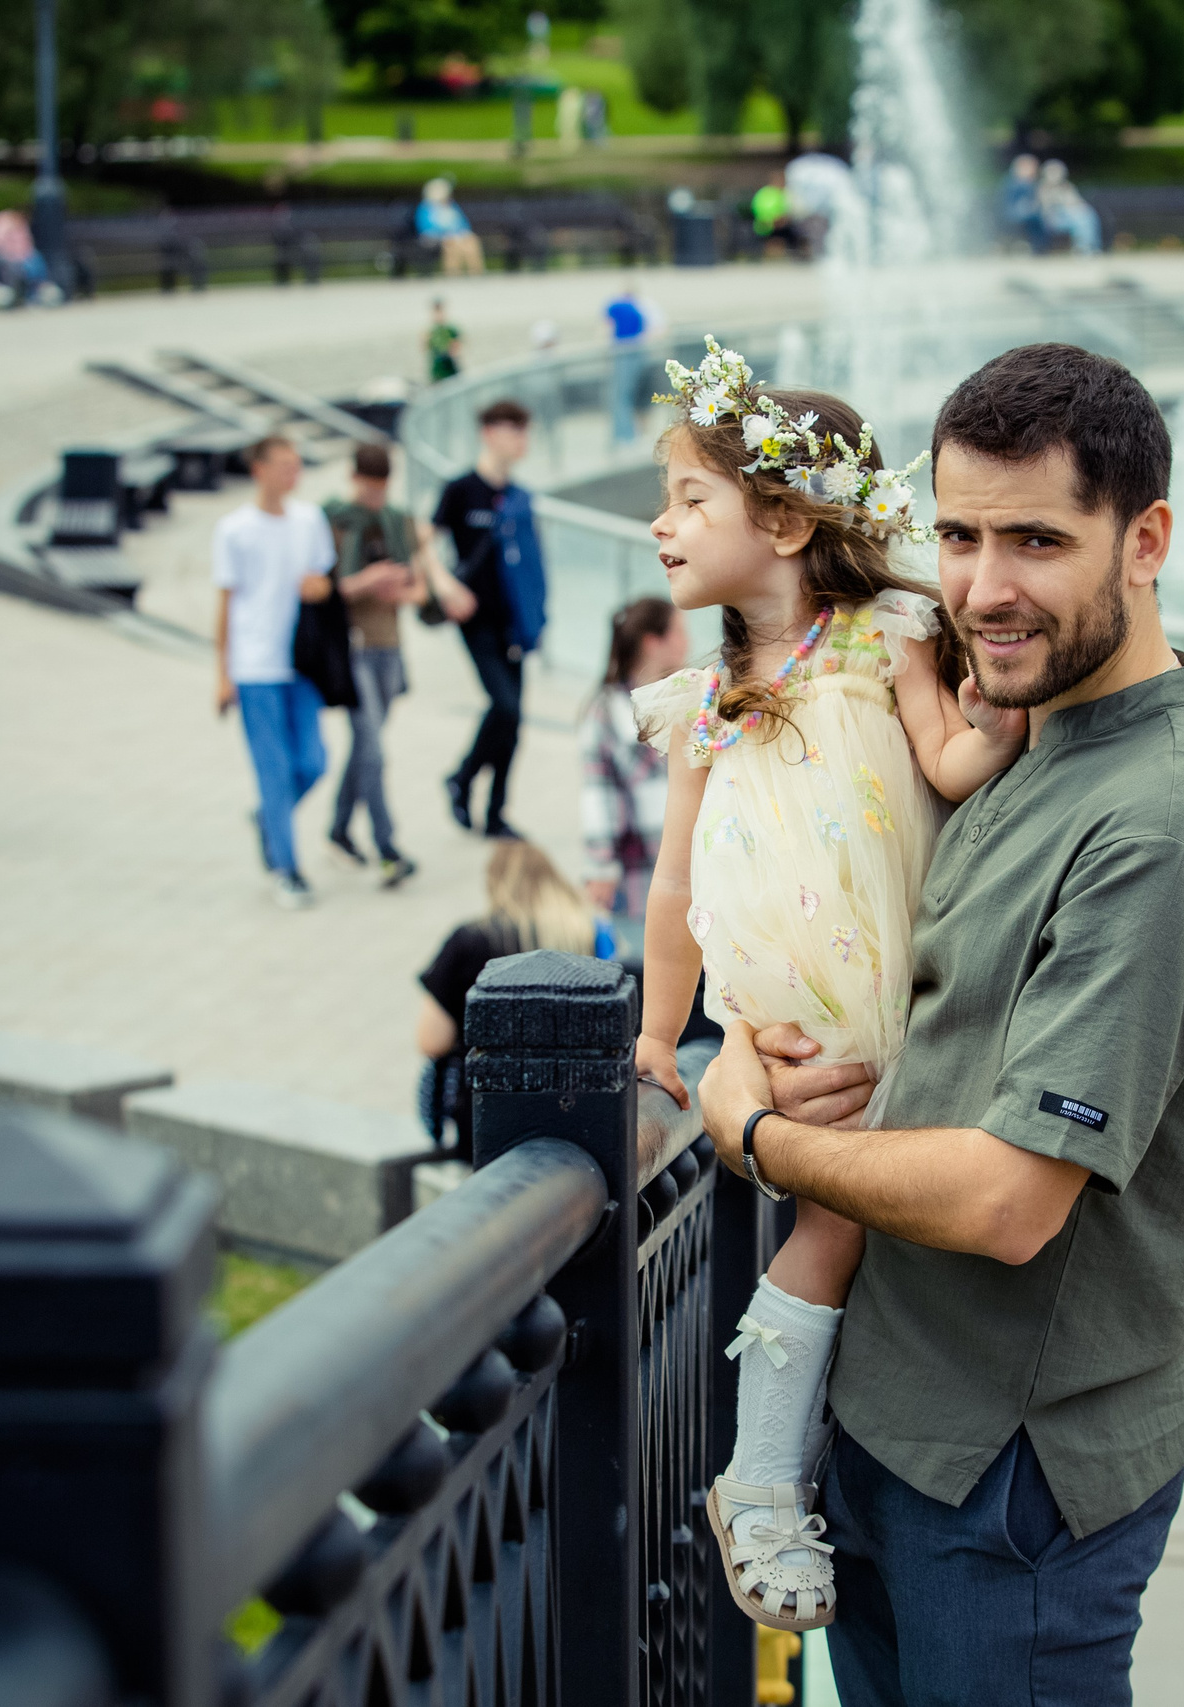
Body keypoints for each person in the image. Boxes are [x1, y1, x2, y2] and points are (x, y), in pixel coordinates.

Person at [689, 340, 1184, 1703]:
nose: (982, 586)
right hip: (905, 1433)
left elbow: (1014, 1199)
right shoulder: (1030, 736)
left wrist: (761, 1131)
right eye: (956, 534)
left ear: (1147, 542)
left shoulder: (1159, 828)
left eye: (1035, 540)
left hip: (1011, 1486)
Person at [624, 340, 1029, 1635]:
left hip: (901, 1008)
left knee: (870, 1224)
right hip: (801, 1026)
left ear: (787, 520)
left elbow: (948, 759)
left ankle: (787, 1477)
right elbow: (676, 884)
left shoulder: (884, 637)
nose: (662, 521)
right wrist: (657, 1028)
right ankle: (758, 1484)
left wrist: (1004, 720)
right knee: (841, 1225)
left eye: (692, 496)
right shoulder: (711, 699)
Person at [321, 441, 459, 884]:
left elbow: (420, 591)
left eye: (381, 487)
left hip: (390, 648)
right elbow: (330, 589)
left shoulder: (398, 523)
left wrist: (396, 588)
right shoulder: (337, 522)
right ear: (355, 478)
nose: (375, 495)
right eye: (369, 486)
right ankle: (387, 848)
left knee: (366, 749)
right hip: (353, 648)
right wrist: (369, 580)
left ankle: (339, 830)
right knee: (374, 752)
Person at [416, 839, 608, 1149]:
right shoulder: (587, 934)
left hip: (487, 1114)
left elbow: (431, 1040)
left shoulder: (471, 941)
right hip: (576, 1107)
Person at [214, 435, 339, 909]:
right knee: (274, 768)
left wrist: (320, 587)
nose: (294, 474)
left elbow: (325, 580)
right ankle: (286, 867)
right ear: (260, 470)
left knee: (313, 761)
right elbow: (224, 604)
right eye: (284, 465)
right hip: (255, 665)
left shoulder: (309, 520)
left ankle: (269, 818)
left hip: (301, 661)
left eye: (297, 465)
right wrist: (222, 672)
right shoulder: (235, 530)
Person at [431, 399, 546, 839]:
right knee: (505, 706)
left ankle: (495, 813)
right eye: (513, 429)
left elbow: (533, 562)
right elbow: (422, 541)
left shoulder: (519, 498)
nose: (521, 440)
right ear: (489, 433)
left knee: (514, 720)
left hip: (514, 620)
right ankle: (461, 778)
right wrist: (446, 586)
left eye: (524, 430)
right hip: (475, 619)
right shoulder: (461, 489)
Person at [578, 596, 693, 921]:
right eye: (679, 633)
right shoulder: (607, 713)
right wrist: (600, 865)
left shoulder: (687, 696)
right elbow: (598, 793)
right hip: (640, 870)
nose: (688, 643)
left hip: (692, 862)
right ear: (652, 642)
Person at [605, 278, 660, 444]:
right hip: (639, 353)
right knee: (633, 396)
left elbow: (606, 327)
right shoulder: (641, 308)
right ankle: (632, 434)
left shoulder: (616, 306)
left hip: (623, 353)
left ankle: (625, 436)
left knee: (622, 395)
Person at [0, 206, 52, 303]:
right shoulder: (1, 222)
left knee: (36, 262)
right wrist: (11, 255)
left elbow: (28, 243)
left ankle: (38, 291)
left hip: (23, 255)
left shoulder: (21, 223)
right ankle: (20, 296)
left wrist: (25, 255)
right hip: (5, 256)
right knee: (17, 267)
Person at [416, 178, 484, 274]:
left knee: (471, 240)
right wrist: (447, 233)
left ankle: (475, 271)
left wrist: (461, 233)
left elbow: (462, 223)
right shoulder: (426, 208)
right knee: (451, 243)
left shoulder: (452, 206)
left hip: (455, 234)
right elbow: (425, 227)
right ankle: (453, 272)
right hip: (435, 236)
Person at [1038, 159, 1103, 256]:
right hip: (1053, 220)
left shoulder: (1067, 187)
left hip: (1071, 217)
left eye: (1058, 172)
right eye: (1052, 173)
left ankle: (1087, 247)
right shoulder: (1042, 188)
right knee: (1082, 219)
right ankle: (1085, 248)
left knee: (1087, 215)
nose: (1056, 176)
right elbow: (1046, 209)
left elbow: (1077, 202)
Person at [1000, 154, 1048, 254]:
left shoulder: (1028, 182)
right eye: (1033, 168)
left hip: (1022, 213)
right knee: (1036, 218)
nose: (1035, 170)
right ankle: (1038, 247)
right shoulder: (1016, 183)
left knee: (1038, 217)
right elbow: (1011, 204)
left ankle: (1039, 246)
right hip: (1013, 214)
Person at [425, 297, 464, 383]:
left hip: (450, 373)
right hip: (436, 374)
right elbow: (426, 349)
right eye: (436, 312)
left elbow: (456, 351)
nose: (438, 315)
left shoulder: (451, 330)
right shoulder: (431, 332)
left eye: (440, 311)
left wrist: (450, 350)